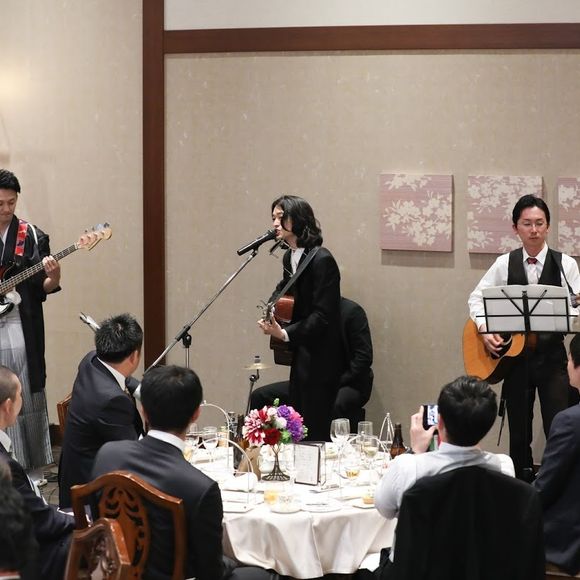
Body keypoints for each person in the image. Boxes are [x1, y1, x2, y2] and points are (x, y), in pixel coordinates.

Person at [92, 364, 276, 580]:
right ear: (196, 414)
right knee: (267, 574)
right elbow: (210, 572)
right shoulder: (200, 488)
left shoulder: (107, 454)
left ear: (144, 412)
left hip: (112, 572)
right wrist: (230, 562)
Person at [468, 194, 580, 480]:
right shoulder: (504, 263)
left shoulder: (566, 264)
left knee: (559, 425)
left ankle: (558, 486)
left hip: (552, 359)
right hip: (515, 360)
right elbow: (476, 298)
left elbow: (575, 309)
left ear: (548, 226)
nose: (534, 230)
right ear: (515, 228)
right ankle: (520, 485)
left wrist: (569, 310)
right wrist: (485, 328)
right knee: (518, 432)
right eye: (527, 223)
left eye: (539, 223)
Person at [374, 376, 514, 572]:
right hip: (479, 570)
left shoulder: (408, 467)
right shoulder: (503, 468)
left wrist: (415, 451)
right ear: (488, 424)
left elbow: (384, 509)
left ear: (439, 422)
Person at [258, 195, 342, 441]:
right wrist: (271, 310)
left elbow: (323, 315)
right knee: (298, 422)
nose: (275, 223)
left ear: (298, 219)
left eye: (281, 217)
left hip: (322, 356)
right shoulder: (290, 256)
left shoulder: (322, 259)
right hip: (301, 352)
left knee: (314, 426)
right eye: (273, 217)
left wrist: (285, 333)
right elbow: (285, 289)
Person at [0, 169, 61, 480]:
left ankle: (33, 472)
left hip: (22, 325)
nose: (6, 209)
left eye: (11, 202)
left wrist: (54, 275)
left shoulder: (31, 236)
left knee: (27, 393)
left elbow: (44, 287)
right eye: (0, 203)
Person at [58, 313, 144, 509]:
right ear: (134, 356)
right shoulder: (112, 401)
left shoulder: (90, 361)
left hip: (73, 477)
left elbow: (122, 376)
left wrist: (141, 390)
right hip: (92, 496)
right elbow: (133, 455)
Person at [251, 296, 373, 430]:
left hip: (348, 383)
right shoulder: (306, 314)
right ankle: (260, 441)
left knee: (334, 404)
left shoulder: (352, 312)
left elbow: (363, 359)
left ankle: (333, 443)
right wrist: (279, 332)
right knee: (260, 396)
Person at [0, 365, 74, 580]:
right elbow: (39, 521)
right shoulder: (5, 467)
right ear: (8, 406)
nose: (21, 400)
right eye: (20, 394)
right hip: (23, 552)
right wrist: (81, 519)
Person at [533, 333, 580, 575]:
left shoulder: (569, 421)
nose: (567, 365)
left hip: (568, 545)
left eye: (569, 359)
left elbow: (543, 489)